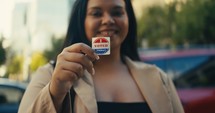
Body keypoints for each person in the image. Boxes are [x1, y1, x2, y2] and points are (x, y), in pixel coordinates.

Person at [18, 0, 184, 113]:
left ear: (129, 19)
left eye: (117, 12)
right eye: (96, 13)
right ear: (81, 21)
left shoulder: (159, 78)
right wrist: (55, 92)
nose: (108, 20)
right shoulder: (50, 75)